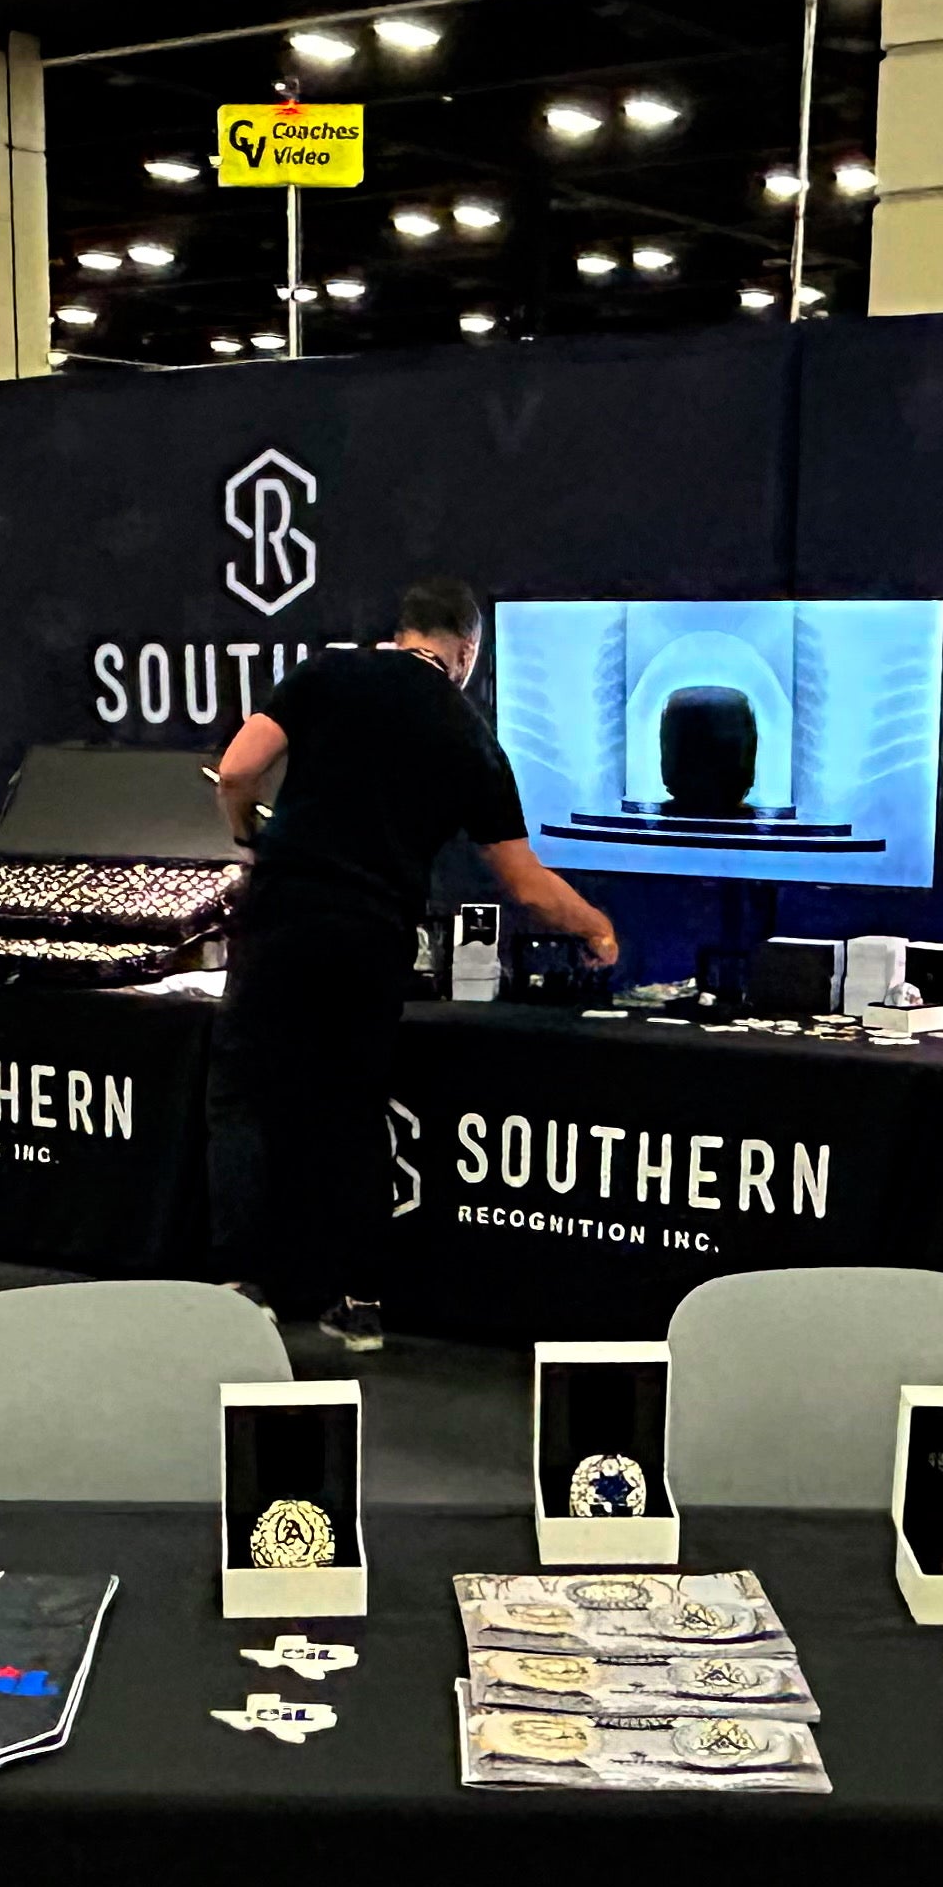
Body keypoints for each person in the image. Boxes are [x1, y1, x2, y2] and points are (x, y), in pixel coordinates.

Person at [208, 575, 618, 1352]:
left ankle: (243, 1289)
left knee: (245, 1096)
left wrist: (246, 831)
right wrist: (596, 928)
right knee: (355, 1110)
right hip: (372, 937)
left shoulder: (329, 673)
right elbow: (526, 884)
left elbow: (237, 769)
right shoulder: (468, 733)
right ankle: (358, 1301)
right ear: (464, 652)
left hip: (284, 916)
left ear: (404, 632)